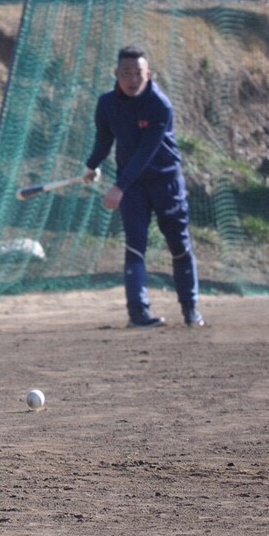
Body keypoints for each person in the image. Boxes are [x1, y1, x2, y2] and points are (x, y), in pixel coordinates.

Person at [82, 45, 204, 328]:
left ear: (149, 74)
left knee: (179, 245)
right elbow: (104, 139)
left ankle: (190, 308)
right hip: (134, 187)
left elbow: (145, 152)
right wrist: (91, 165)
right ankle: (138, 313)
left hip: (166, 182)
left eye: (138, 72)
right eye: (126, 73)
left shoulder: (160, 105)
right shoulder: (107, 104)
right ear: (116, 74)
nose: (132, 79)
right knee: (135, 246)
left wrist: (118, 186)